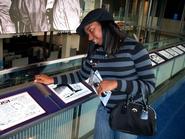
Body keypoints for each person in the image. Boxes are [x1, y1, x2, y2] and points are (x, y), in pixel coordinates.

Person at [34, 8, 155, 139]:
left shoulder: (135, 48)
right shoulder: (96, 52)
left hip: (129, 114)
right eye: (88, 34)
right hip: (104, 111)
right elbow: (81, 75)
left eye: (91, 30)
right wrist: (53, 80)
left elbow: (149, 86)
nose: (90, 38)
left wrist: (117, 84)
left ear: (106, 25)